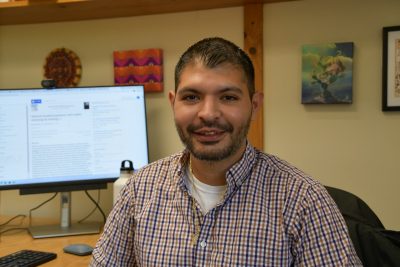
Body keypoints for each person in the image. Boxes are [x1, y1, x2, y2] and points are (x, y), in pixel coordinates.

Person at [90, 37, 362, 266]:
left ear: (254, 106)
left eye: (228, 97)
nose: (208, 114)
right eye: (192, 97)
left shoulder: (303, 201)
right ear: (174, 103)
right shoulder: (141, 188)